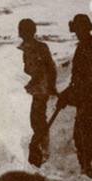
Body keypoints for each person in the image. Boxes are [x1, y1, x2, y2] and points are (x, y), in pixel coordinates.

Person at [60, 13, 92, 179]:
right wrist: (68, 93)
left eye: (80, 30)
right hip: (85, 96)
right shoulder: (83, 46)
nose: (78, 33)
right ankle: (87, 165)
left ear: (86, 29)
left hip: (91, 96)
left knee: (89, 130)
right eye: (76, 30)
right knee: (84, 131)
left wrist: (73, 93)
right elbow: (77, 77)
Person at [17, 18, 58, 168]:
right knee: (34, 122)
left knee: (36, 122)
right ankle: (35, 153)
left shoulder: (37, 48)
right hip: (31, 92)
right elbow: (51, 68)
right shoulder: (22, 49)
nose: (23, 33)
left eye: (25, 30)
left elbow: (50, 68)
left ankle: (38, 153)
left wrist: (51, 86)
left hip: (36, 91)